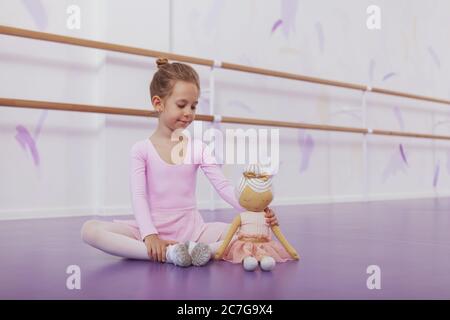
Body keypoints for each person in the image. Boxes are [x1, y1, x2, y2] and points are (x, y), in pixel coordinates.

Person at [81, 57, 279, 267]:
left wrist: (254, 211)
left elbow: (222, 186)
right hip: (151, 227)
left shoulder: (198, 148)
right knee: (90, 230)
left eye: (193, 106)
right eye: (182, 105)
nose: (189, 113)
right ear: (158, 103)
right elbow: (139, 197)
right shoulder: (141, 150)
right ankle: (170, 253)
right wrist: (149, 235)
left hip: (194, 230)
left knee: (245, 230)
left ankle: (197, 250)